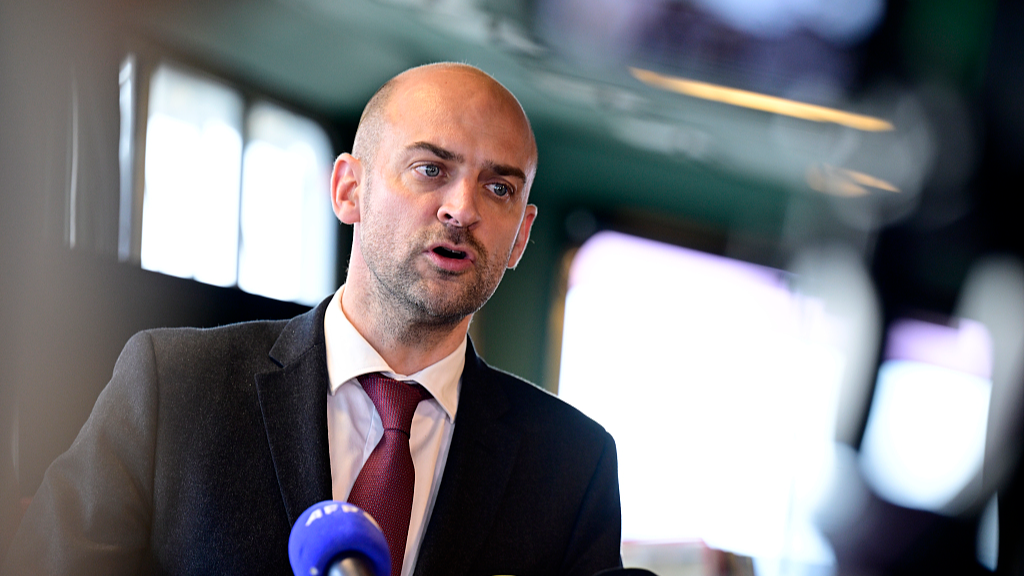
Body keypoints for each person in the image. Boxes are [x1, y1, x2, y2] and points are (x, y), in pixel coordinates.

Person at [2, 63, 622, 576]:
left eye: (499, 189)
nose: (462, 208)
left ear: (520, 238)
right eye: (431, 169)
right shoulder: (176, 385)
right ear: (349, 190)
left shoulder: (570, 466)